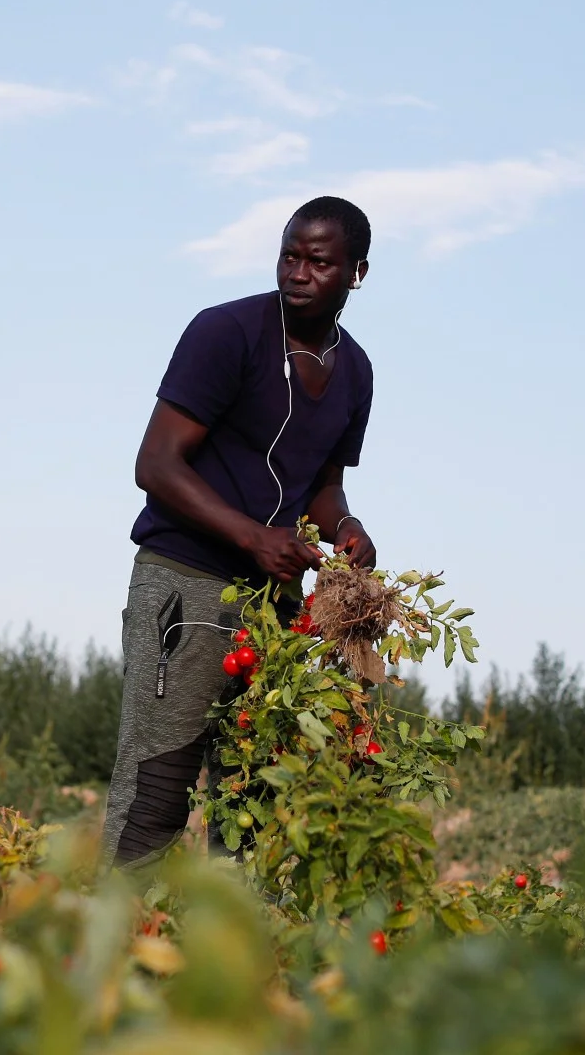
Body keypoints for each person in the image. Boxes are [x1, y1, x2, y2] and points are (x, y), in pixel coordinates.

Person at [101, 196, 379, 867]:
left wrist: (346, 526)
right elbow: (155, 464)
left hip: (273, 603)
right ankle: (117, 955)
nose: (299, 272)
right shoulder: (225, 333)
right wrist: (255, 536)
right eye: (290, 255)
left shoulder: (357, 372)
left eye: (319, 261)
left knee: (253, 793)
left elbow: (323, 482)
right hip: (186, 582)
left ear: (356, 274)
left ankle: (233, 960)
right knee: (158, 786)